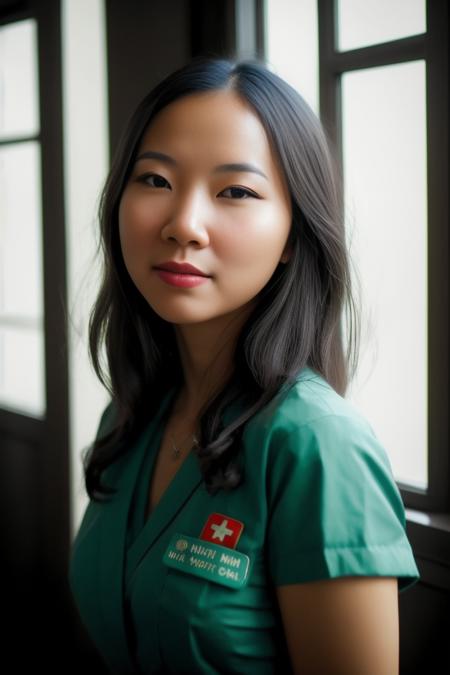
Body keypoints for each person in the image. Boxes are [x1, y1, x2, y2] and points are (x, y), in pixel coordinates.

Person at [69, 57, 420, 674]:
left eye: (236, 191)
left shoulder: (318, 446)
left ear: (293, 236)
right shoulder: (129, 417)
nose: (184, 224)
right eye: (155, 180)